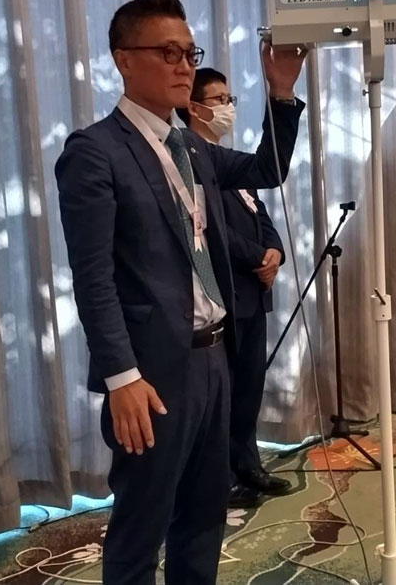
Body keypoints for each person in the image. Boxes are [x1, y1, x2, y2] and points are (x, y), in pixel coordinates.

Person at [54, 0, 305, 585]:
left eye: (189, 53)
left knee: (203, 515)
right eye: (167, 53)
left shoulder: (192, 146)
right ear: (124, 59)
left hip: (215, 358)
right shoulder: (95, 152)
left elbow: (267, 170)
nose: (184, 66)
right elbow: (93, 278)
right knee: (142, 524)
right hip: (151, 374)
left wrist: (281, 92)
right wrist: (121, 377)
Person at [176, 69, 294, 510]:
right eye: (219, 99)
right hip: (225, 296)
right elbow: (210, 229)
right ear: (194, 107)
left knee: (249, 390)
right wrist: (256, 257)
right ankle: (221, 478)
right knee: (222, 398)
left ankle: (248, 465)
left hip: (255, 295)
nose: (228, 107)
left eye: (231, 98)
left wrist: (275, 250)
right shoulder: (187, 159)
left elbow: (259, 213)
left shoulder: (229, 161)